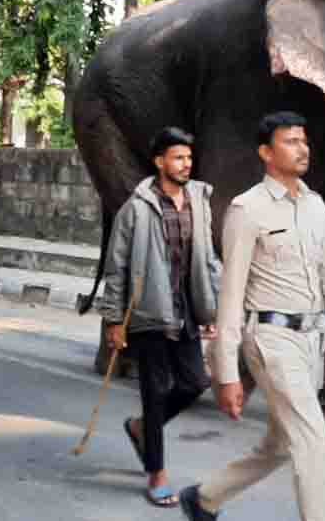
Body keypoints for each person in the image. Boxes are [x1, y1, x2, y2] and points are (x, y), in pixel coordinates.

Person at [180, 112, 325, 521]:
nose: (302, 148)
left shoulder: (316, 206)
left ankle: (204, 498)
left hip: (311, 343)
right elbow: (231, 296)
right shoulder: (247, 209)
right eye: (290, 141)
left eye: (304, 141)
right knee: (312, 443)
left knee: (282, 443)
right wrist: (226, 372)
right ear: (266, 153)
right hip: (270, 340)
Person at [98, 126, 220, 508]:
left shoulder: (199, 201)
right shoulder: (136, 208)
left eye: (188, 158)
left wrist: (210, 307)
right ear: (159, 162)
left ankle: (140, 429)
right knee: (155, 393)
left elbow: (207, 259)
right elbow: (116, 266)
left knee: (196, 382)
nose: (186, 164)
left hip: (185, 310)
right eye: (178, 157)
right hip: (149, 310)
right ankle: (157, 473)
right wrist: (115, 321)